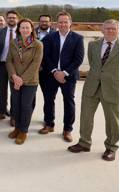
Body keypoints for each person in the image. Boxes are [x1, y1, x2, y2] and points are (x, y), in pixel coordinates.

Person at [68, 19, 119, 161]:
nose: (110, 31)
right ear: (102, 30)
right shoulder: (93, 45)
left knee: (112, 121)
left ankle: (111, 147)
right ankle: (84, 143)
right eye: (107, 28)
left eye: (113, 28)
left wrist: (117, 82)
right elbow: (94, 64)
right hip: (92, 87)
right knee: (86, 117)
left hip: (113, 89)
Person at [39, 11, 84, 142]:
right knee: (48, 100)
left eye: (65, 22)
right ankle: (49, 124)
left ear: (70, 23)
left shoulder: (78, 38)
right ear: (56, 23)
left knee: (69, 102)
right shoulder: (49, 37)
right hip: (50, 75)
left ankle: (67, 129)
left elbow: (78, 59)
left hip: (68, 76)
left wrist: (63, 73)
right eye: (60, 22)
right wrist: (54, 71)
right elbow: (45, 57)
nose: (63, 24)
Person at [6, 18, 43, 145]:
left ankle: (23, 131)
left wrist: (22, 79)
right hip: (14, 80)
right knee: (15, 104)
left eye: (28, 27)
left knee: (26, 106)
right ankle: (16, 128)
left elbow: (35, 64)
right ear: (19, 29)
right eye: (23, 27)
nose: (25, 29)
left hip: (30, 81)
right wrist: (14, 76)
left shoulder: (37, 44)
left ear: (32, 29)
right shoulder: (13, 43)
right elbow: (9, 61)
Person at [0, 10, 19, 124]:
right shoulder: (0, 32)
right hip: (2, 66)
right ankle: (1, 112)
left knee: (15, 91)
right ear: (6, 19)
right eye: (9, 18)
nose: (11, 19)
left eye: (13, 18)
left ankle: (14, 115)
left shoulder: (21, 31)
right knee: (1, 91)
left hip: (16, 67)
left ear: (17, 19)